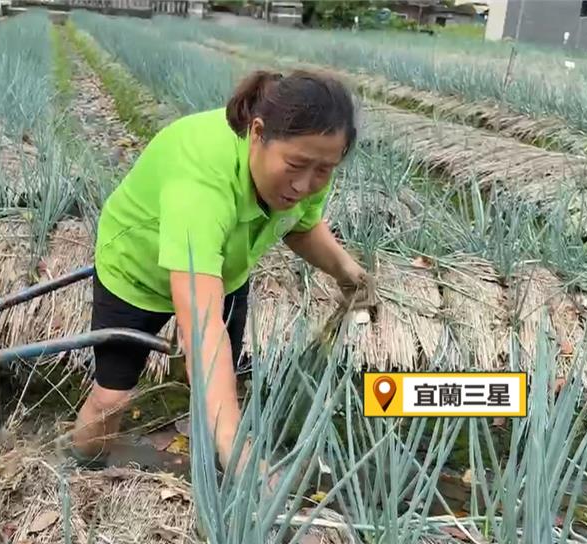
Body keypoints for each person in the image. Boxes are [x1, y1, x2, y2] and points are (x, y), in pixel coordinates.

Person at [68, 68, 374, 474]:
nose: (305, 184)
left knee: (222, 385)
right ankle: (83, 472)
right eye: (297, 165)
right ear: (258, 132)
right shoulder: (202, 182)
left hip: (221, 270)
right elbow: (203, 330)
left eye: (323, 170)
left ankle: (214, 484)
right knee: (113, 397)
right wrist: (237, 446)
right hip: (136, 274)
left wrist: (348, 273)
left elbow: (302, 227)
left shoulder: (310, 166)